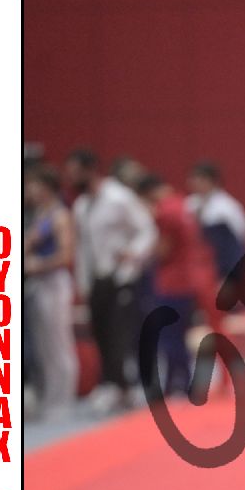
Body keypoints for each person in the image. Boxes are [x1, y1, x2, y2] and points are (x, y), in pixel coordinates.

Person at [66, 147, 158, 413]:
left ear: (90, 170)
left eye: (75, 172)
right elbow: (83, 247)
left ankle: (125, 386)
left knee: (121, 334)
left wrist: (134, 254)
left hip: (122, 277)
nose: (71, 178)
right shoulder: (82, 206)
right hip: (97, 280)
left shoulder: (119, 197)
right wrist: (82, 283)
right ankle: (118, 385)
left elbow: (147, 229)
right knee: (101, 334)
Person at [137, 174, 218, 396]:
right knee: (179, 334)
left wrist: (141, 257)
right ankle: (183, 381)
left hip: (171, 283)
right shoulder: (182, 205)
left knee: (170, 336)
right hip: (188, 280)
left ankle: (180, 383)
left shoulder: (165, 212)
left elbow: (164, 250)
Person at [23, 164, 79, 419]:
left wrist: (39, 264)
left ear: (46, 187)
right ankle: (50, 395)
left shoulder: (60, 215)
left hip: (55, 282)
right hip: (37, 284)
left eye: (33, 185)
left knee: (58, 342)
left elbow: (66, 255)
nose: (29, 190)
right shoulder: (38, 215)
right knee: (43, 345)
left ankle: (65, 397)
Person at [186, 161, 245, 284]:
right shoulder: (189, 204)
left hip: (221, 263)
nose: (195, 182)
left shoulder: (227, 206)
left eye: (201, 179)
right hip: (195, 263)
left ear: (212, 181)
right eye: (193, 178)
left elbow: (242, 235)